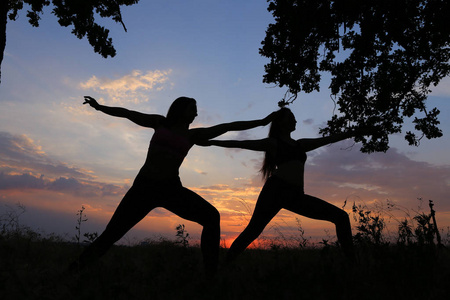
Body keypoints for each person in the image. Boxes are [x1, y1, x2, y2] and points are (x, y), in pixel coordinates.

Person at [71, 96, 275, 276]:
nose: (196, 113)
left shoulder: (192, 136)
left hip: (171, 189)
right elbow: (128, 113)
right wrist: (99, 107)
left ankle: (211, 275)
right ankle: (72, 272)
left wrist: (263, 121)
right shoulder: (160, 123)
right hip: (144, 187)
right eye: (192, 108)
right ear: (180, 109)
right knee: (111, 234)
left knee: (212, 217)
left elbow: (229, 126)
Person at [198, 107, 372, 262]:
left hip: (296, 195)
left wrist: (356, 132)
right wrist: (213, 142)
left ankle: (352, 263)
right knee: (253, 230)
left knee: (340, 217)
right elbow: (242, 143)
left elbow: (328, 139)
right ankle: (226, 264)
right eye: (291, 117)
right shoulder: (273, 143)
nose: (295, 120)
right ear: (280, 123)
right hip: (275, 191)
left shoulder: (301, 144)